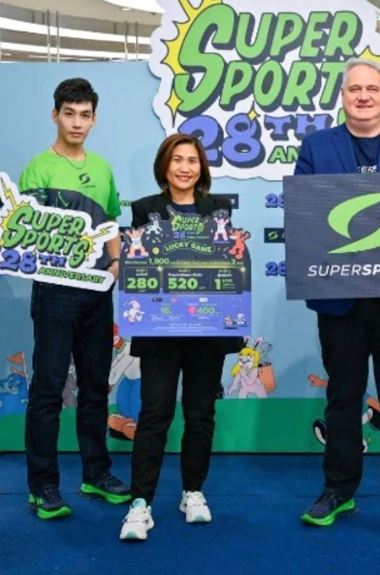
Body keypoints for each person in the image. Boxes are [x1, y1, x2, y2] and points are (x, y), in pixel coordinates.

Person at [293, 57, 380, 541]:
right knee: (343, 396)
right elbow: (305, 216)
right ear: (342, 96)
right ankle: (338, 490)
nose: (363, 96)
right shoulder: (316, 147)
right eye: (354, 88)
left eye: (372, 88)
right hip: (340, 299)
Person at [119, 133, 245, 541]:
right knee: (154, 413)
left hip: (206, 330)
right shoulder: (145, 209)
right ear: (164, 166)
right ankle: (141, 502)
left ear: (201, 168)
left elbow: (229, 266)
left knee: (200, 413)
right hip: (160, 330)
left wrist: (236, 254)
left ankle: (193, 491)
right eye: (177, 160)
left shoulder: (219, 209)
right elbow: (138, 267)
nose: (185, 167)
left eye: (192, 160)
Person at [19, 78, 129, 519]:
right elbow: (25, 233)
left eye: (85, 115)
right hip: (55, 292)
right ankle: (43, 485)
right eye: (69, 113)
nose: (77, 122)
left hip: (97, 293)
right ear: (55, 115)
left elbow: (112, 223)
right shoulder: (38, 169)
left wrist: (116, 264)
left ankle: (96, 473)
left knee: (95, 388)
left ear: (94, 119)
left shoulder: (102, 168)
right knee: (48, 389)